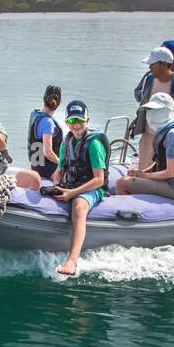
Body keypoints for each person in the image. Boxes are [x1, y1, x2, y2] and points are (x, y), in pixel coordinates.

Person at [52, 100, 110, 277]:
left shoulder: (94, 144)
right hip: (71, 184)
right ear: (66, 122)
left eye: (80, 120)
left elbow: (99, 179)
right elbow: (60, 169)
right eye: (71, 121)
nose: (76, 124)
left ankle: (72, 260)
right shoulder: (66, 142)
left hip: (92, 188)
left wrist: (73, 193)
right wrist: (56, 182)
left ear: (87, 120)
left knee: (78, 206)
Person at [114, 92, 174, 201]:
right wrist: (142, 173)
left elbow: (170, 172)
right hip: (167, 181)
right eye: (149, 110)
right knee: (130, 178)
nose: (151, 113)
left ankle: (129, 213)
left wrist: (144, 177)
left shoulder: (173, 135)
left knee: (122, 184)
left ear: (166, 111)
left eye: (156, 110)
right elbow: (161, 162)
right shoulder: (168, 128)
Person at [132, 46, 174, 168]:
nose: (149, 67)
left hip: (168, 137)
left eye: (153, 64)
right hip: (148, 134)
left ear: (164, 64)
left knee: (164, 169)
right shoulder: (148, 79)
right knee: (143, 167)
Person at [15, 85, 63, 189]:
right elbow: (48, 153)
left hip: (35, 166)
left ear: (43, 98)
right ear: (60, 103)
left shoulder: (34, 115)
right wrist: (63, 163)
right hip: (48, 169)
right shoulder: (48, 123)